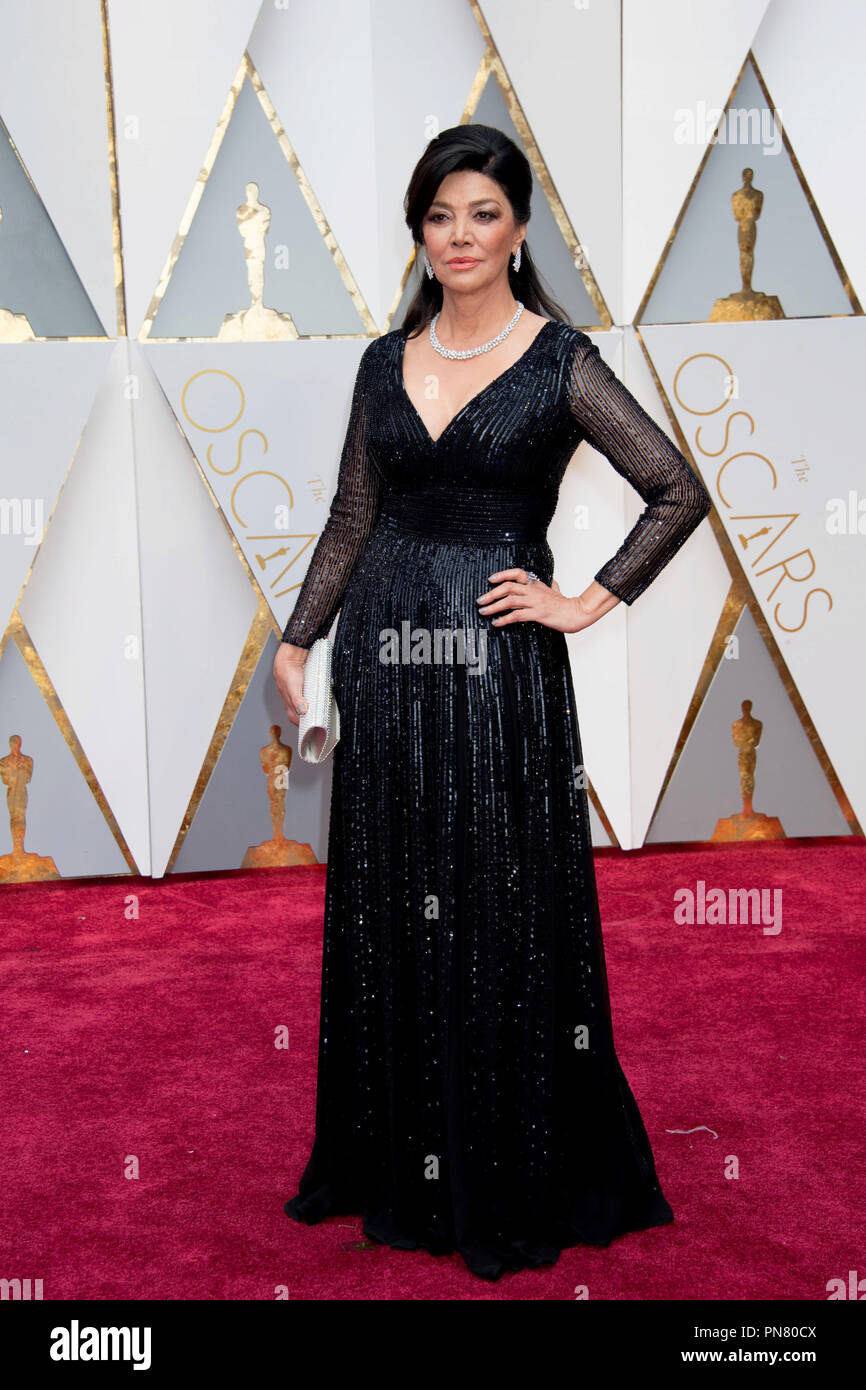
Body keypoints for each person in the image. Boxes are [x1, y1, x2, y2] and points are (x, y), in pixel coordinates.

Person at [273, 124, 712, 1282]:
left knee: (491, 898)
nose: (458, 236)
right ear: (417, 235)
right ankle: (394, 1157)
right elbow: (349, 518)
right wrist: (298, 634)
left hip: (492, 674)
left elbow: (675, 488)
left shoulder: (558, 358)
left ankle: (509, 1162)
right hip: (382, 658)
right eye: (438, 216)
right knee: (387, 895)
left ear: (518, 230)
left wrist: (585, 601)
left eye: (481, 214)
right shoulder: (382, 359)